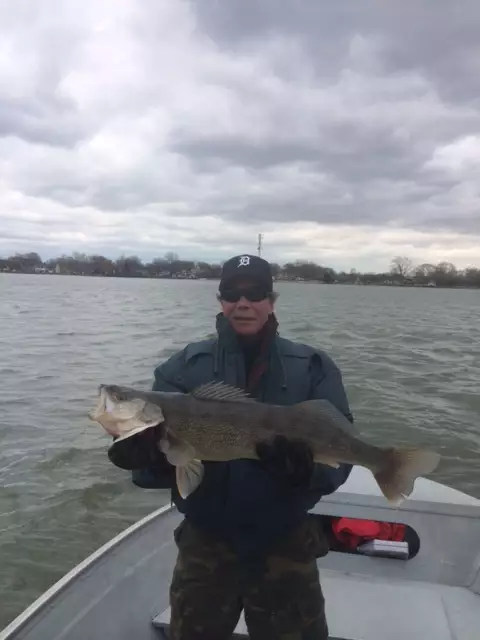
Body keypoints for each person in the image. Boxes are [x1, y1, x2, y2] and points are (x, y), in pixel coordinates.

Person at [108, 253, 355, 640]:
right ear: (220, 300)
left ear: (271, 300)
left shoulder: (313, 366)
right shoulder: (182, 368)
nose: (243, 303)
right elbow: (164, 469)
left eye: (255, 292)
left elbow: (341, 458)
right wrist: (146, 459)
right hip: (205, 544)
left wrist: (307, 471)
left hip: (285, 542)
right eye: (231, 293)